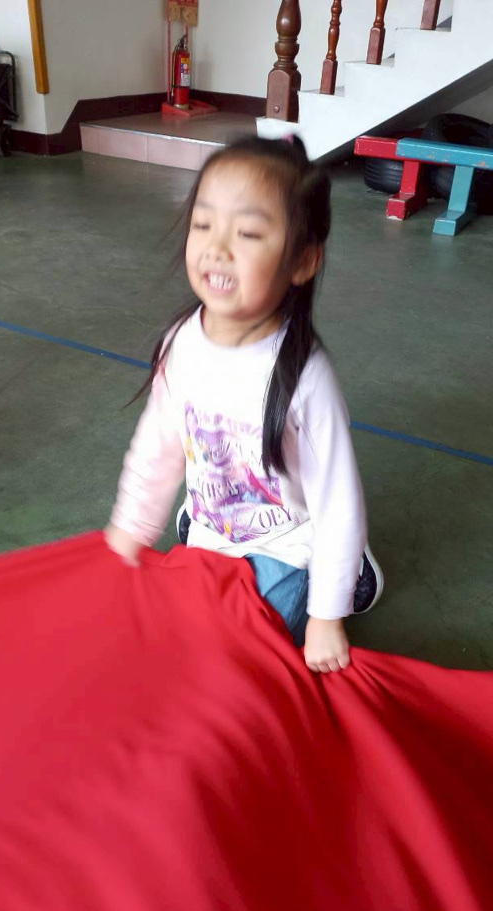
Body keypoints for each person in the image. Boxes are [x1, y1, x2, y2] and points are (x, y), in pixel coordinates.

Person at [105, 136, 383, 673]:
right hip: (213, 530)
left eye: (248, 233)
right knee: (166, 633)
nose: (217, 248)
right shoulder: (182, 345)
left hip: (285, 546)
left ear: (302, 260)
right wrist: (132, 526)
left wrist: (326, 616)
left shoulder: (305, 378)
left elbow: (337, 503)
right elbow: (158, 446)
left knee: (246, 652)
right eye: (203, 224)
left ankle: (351, 575)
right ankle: (206, 526)